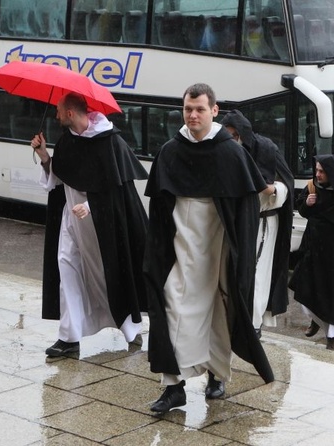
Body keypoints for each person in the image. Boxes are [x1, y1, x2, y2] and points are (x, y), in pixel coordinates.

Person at [143, 83, 273, 413]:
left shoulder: (231, 152)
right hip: (180, 244)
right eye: (188, 109)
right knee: (172, 307)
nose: (193, 115)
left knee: (220, 308)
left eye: (200, 109)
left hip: (218, 245)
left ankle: (216, 375)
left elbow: (246, 209)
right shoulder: (171, 151)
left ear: (214, 111)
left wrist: (238, 255)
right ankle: (173, 387)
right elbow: (158, 206)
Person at [31, 92, 149, 358]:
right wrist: (43, 155)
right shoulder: (66, 141)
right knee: (66, 270)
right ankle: (68, 337)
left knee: (107, 276)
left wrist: (91, 206)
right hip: (70, 221)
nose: (56, 115)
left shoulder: (110, 142)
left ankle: (130, 329)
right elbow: (58, 179)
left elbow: (117, 192)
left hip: (101, 225)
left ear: (71, 113)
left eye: (59, 111)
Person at [220, 110, 294, 339]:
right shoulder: (220, 151)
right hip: (232, 223)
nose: (232, 139)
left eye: (235, 135)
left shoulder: (266, 149)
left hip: (263, 223)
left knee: (258, 273)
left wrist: (272, 190)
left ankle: (253, 323)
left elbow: (286, 185)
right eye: (227, 134)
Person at [288, 154, 334, 351]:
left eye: (322, 171)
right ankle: (315, 319)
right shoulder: (313, 187)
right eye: (317, 170)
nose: (318, 174)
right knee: (306, 286)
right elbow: (303, 210)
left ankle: (332, 339)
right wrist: (308, 204)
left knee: (332, 296)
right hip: (312, 250)